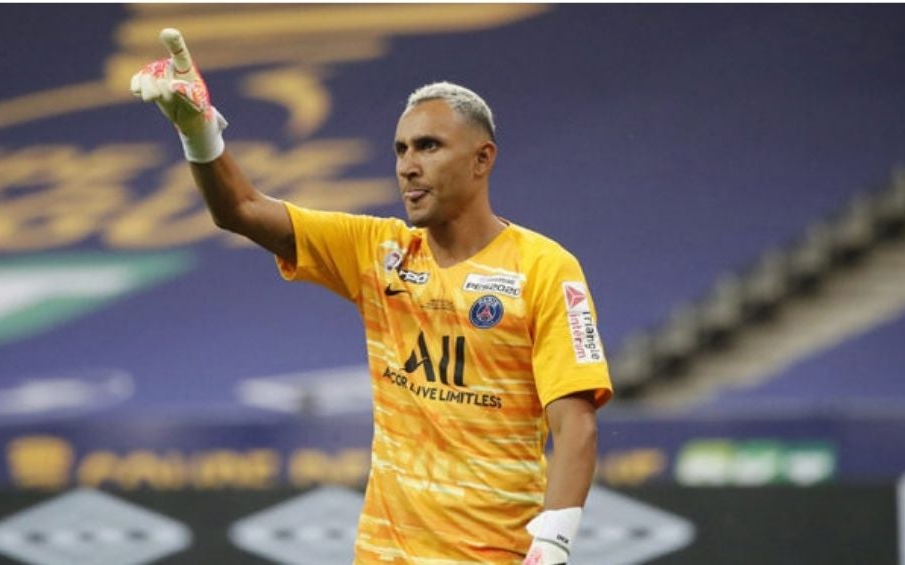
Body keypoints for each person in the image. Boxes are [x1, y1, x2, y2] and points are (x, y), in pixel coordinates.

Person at [132, 28, 613, 565]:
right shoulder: (378, 251)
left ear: (482, 159)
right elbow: (240, 210)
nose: (408, 165)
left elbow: (576, 426)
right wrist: (198, 131)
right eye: (401, 150)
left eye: (429, 146)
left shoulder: (545, 269)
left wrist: (553, 543)